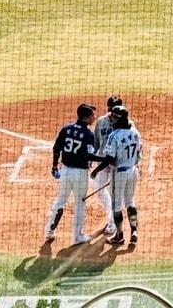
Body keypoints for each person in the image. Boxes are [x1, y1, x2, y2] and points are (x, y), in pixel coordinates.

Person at [45, 103, 111, 246]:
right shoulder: (88, 135)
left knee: (60, 200)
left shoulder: (66, 129)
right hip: (80, 174)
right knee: (80, 204)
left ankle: (49, 230)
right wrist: (105, 159)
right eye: (92, 115)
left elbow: (56, 148)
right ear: (86, 118)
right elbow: (88, 156)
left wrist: (54, 164)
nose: (95, 117)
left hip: (65, 171)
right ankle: (77, 237)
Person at [100, 104, 142, 245]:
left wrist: (95, 171)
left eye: (112, 117)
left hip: (119, 173)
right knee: (130, 202)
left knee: (116, 205)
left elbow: (109, 159)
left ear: (118, 118)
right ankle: (134, 230)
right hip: (133, 170)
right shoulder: (136, 133)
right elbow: (138, 156)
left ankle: (119, 235)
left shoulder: (114, 135)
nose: (110, 119)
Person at [92, 95, 127, 228]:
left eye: (114, 109)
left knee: (114, 193)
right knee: (98, 188)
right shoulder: (101, 121)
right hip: (102, 161)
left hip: (117, 163)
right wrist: (91, 157)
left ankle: (113, 222)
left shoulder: (126, 123)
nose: (111, 112)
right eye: (110, 108)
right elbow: (96, 140)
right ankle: (110, 214)